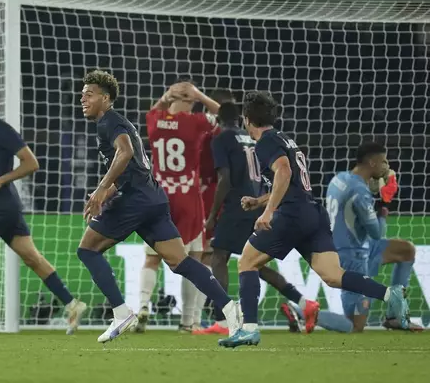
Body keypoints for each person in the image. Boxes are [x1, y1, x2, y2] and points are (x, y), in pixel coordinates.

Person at [218, 91, 409, 348]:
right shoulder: (285, 139)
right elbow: (290, 182)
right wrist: (259, 201)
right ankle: (390, 294)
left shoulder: (265, 142)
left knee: (247, 262)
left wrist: (268, 211)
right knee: (333, 275)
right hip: (311, 213)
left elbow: (284, 172)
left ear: (247, 119)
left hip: (291, 215)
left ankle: (249, 329)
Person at [77, 70, 241, 344]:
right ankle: (229, 309)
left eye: (89, 95)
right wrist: (107, 190)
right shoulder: (123, 122)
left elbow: (125, 152)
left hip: (135, 201)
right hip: (155, 198)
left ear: (106, 99)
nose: (83, 99)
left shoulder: (112, 123)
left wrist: (102, 188)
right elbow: (135, 167)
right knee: (182, 261)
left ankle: (121, 311)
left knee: (87, 250)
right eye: (82, 94)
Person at [0, 85, 86, 333]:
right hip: (7, 206)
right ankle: (73, 304)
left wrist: (0, 181)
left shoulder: (2, 131)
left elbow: (31, 163)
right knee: (33, 258)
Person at [196, 101, 319, 335]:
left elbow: (224, 178)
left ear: (219, 120)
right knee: (256, 264)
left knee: (218, 256)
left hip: (237, 205)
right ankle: (305, 304)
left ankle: (223, 321)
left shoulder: (222, 139)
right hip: (257, 201)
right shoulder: (250, 138)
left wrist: (212, 215)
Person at [283, 142, 419, 333]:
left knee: (406, 251)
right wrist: (383, 204)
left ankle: (395, 315)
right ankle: (303, 312)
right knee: (355, 326)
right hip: (352, 256)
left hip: (359, 246)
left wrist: (372, 195)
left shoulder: (340, 179)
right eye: (383, 161)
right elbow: (377, 232)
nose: (386, 166)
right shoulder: (359, 191)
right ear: (372, 162)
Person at [136, 80, 220, 333]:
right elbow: (223, 115)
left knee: (151, 257)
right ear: (190, 103)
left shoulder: (156, 120)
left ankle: (142, 306)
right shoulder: (194, 122)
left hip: (159, 197)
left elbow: (154, 110)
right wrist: (200, 95)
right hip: (188, 198)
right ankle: (188, 321)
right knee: (195, 259)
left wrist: (167, 96)